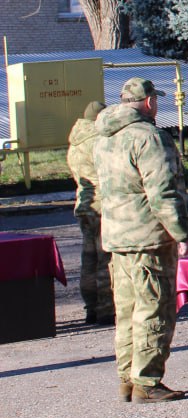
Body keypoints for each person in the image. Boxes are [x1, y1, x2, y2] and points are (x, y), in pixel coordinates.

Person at [95, 77, 188, 403]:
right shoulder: (149, 138)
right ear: (150, 101)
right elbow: (163, 193)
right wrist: (183, 232)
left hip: (117, 238)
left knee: (126, 312)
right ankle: (147, 381)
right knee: (155, 308)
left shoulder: (104, 138)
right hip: (148, 239)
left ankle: (128, 377)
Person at [67, 100, 111, 325]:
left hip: (84, 205)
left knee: (88, 259)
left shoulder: (75, 141)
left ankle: (90, 307)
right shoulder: (99, 140)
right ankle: (106, 309)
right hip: (103, 207)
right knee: (106, 259)